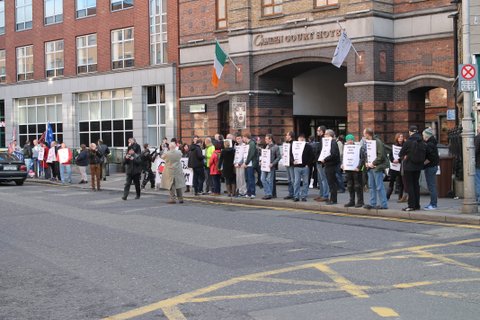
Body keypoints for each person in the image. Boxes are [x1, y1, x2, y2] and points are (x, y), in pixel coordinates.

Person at [398, 125, 425, 211]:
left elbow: (400, 153)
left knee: (410, 186)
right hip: (418, 166)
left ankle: (411, 205)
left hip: (409, 167)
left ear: (410, 132)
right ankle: (417, 205)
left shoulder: (408, 141)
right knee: (416, 185)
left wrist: (406, 155)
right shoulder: (421, 141)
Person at [363, 128, 389, 210]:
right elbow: (368, 154)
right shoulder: (369, 142)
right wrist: (367, 162)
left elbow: (381, 156)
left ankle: (384, 204)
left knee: (379, 186)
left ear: (367, 134)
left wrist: (373, 163)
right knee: (371, 186)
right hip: (371, 167)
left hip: (377, 167)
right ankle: (372, 203)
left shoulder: (378, 142)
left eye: (364, 134)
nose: (363, 135)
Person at [342, 134, 365, 208]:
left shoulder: (358, 148)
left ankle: (360, 201)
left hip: (356, 170)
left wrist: (359, 167)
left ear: (353, 140)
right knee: (350, 186)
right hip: (348, 169)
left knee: (358, 186)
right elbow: (343, 157)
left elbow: (362, 158)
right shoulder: (345, 148)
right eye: (348, 140)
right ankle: (351, 201)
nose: (349, 141)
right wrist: (342, 164)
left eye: (351, 140)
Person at [319, 130, 340, 205]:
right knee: (330, 182)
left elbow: (334, 154)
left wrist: (325, 159)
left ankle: (333, 200)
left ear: (329, 135)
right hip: (328, 164)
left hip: (331, 165)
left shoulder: (333, 143)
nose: (324, 136)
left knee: (332, 183)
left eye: (325, 134)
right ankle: (332, 199)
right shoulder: (328, 143)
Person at [292, 134, 314, 202]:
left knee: (305, 182)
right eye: (300, 138)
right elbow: (291, 155)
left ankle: (304, 196)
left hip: (305, 167)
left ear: (304, 139)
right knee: (296, 182)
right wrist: (293, 161)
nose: (301, 140)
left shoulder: (308, 146)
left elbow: (312, 156)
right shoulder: (294, 146)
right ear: (297, 139)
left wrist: (308, 164)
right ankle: (296, 196)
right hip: (297, 167)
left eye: (302, 138)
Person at [423, 127, 439, 210]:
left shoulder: (429, 144)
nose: (423, 137)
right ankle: (433, 203)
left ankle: (433, 204)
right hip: (433, 166)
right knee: (432, 185)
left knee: (431, 186)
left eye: (423, 135)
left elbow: (431, 157)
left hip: (430, 167)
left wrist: (424, 163)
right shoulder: (432, 143)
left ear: (426, 136)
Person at [261, 134, 281, 200]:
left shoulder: (276, 147)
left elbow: (279, 157)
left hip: (271, 166)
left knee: (269, 180)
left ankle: (268, 194)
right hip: (264, 166)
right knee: (262, 179)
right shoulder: (266, 146)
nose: (265, 140)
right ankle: (268, 193)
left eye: (266, 139)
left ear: (270, 139)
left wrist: (273, 164)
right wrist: (261, 161)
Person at [387, 133, 407, 202]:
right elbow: (390, 155)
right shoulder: (394, 146)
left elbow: (405, 155)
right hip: (394, 167)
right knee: (391, 181)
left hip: (401, 166)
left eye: (401, 137)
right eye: (399, 137)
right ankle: (387, 196)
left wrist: (398, 160)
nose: (401, 138)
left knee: (401, 182)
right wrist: (393, 160)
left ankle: (400, 197)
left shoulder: (405, 145)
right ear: (397, 138)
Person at [315, 126, 330, 202]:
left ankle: (325, 195)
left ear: (322, 131)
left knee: (324, 179)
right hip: (318, 162)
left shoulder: (324, 140)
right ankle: (321, 194)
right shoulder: (320, 140)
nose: (317, 131)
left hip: (322, 162)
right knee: (320, 180)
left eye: (318, 130)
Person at [242, 132, 258, 198]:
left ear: (246, 137)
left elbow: (251, 154)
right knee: (247, 179)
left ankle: (252, 193)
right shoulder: (247, 144)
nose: (243, 139)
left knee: (251, 179)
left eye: (243, 137)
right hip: (247, 164)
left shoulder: (252, 144)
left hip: (250, 164)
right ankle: (248, 192)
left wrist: (246, 163)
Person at [283, 131, 295, 200]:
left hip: (291, 164)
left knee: (293, 180)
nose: (286, 136)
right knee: (289, 180)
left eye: (287, 135)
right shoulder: (286, 143)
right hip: (287, 163)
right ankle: (290, 193)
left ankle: (295, 194)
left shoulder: (293, 143)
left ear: (290, 136)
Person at [475, 128, 480, 204]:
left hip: (479, 163)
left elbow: (475, 150)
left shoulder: (478, 138)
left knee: (478, 181)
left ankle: (479, 198)